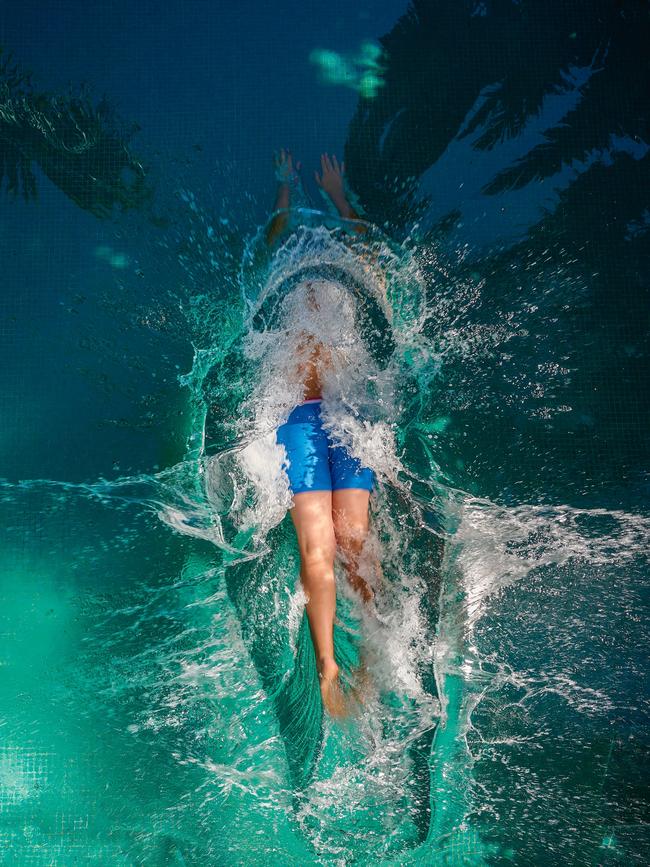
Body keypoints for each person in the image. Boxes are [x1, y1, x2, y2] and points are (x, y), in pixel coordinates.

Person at [267, 149, 376, 716]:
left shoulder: (347, 283)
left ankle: (380, 648)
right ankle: (329, 663)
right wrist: (285, 188)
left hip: (347, 411)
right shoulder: (284, 286)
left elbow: (367, 252)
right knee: (322, 546)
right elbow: (274, 240)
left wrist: (337, 195)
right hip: (300, 417)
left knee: (351, 541)